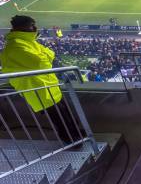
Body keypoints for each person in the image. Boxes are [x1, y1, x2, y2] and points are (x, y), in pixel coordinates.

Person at [0, 16, 81, 144]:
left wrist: (45, 56)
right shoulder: (16, 46)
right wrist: (45, 56)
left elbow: (49, 55)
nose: (35, 28)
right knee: (60, 120)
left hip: (48, 86)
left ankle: (78, 136)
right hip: (39, 90)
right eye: (32, 25)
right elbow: (42, 62)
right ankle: (73, 142)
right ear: (20, 27)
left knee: (66, 115)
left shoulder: (27, 42)